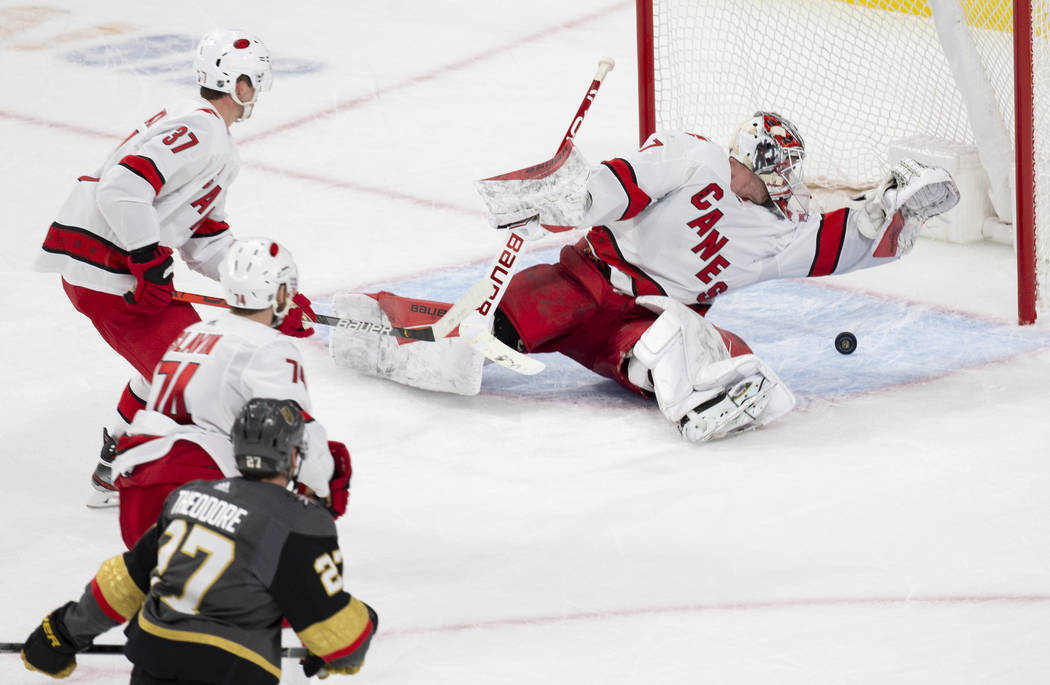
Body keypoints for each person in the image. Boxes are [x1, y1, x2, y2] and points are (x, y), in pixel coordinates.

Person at [335, 112, 959, 442]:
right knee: (491, 332)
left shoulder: (780, 232)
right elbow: (625, 181)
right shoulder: (696, 158)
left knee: (677, 343)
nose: (785, 185)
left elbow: (843, 243)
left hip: (644, 319)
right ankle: (382, 322)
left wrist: (894, 209)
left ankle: (706, 398)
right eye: (779, 171)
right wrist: (571, 197)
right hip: (585, 280)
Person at [33, 28, 316, 507]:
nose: (257, 95)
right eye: (254, 83)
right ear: (239, 85)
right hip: (108, 275)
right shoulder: (202, 129)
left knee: (168, 366)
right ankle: (193, 496)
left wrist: (267, 295)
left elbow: (205, 240)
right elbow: (122, 186)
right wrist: (146, 258)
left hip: (110, 274)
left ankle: (114, 466)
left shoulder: (211, 137)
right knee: (201, 380)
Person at [19, 397, 377, 684]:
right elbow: (338, 636)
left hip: (153, 660)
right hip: (235, 670)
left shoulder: (188, 496)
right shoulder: (301, 521)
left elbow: (123, 581)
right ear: (294, 456)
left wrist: (62, 633)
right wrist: (360, 629)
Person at [110, 237, 350, 550]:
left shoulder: (193, 334)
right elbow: (297, 429)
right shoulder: (269, 347)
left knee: (164, 591)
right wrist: (324, 487)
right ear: (278, 293)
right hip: (194, 492)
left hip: (137, 483)